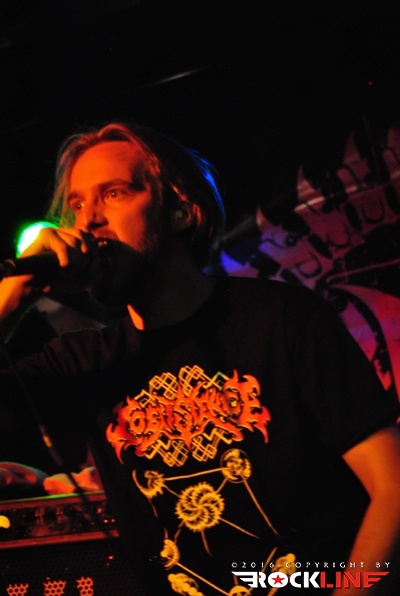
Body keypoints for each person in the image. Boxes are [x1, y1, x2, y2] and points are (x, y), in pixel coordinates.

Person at [0, 121, 399, 596]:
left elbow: (393, 489)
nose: (87, 222)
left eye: (113, 194)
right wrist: (13, 295)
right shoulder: (85, 360)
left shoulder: (282, 319)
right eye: (78, 205)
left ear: (179, 212)